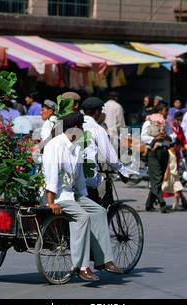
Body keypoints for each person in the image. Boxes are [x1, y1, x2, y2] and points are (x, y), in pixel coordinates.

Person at [42, 112, 123, 281]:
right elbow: (51, 175)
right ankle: (81, 266)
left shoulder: (76, 147)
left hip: (72, 194)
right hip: (57, 196)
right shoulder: (55, 145)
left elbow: (79, 181)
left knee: (99, 212)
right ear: (77, 128)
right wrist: (50, 202)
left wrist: (85, 200)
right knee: (83, 217)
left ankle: (104, 260)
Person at [81, 97, 129, 203]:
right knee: (99, 214)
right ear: (97, 111)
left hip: (73, 178)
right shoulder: (98, 129)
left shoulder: (75, 125)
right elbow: (110, 156)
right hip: (88, 179)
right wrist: (123, 173)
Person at [141, 103, 172, 213]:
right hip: (153, 152)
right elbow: (143, 137)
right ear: (159, 111)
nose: (167, 113)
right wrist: (155, 139)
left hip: (163, 151)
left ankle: (149, 204)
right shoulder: (149, 122)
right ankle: (162, 202)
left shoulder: (165, 123)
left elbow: (172, 136)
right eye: (165, 110)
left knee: (157, 179)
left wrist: (166, 137)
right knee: (157, 178)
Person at [162, 138, 187, 211]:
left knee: (177, 188)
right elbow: (167, 164)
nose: (179, 148)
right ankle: (154, 198)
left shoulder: (174, 154)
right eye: (178, 146)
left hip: (174, 175)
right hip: (169, 175)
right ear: (175, 145)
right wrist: (166, 174)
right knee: (163, 188)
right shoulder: (169, 153)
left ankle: (176, 203)